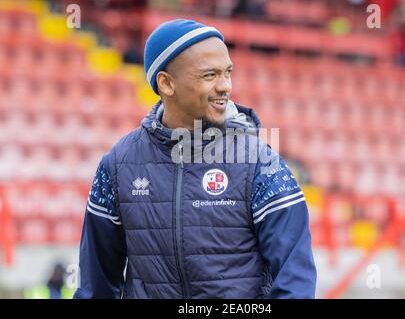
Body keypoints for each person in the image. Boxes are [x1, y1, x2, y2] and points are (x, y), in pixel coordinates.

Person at [74, 19, 316, 299]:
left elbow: (295, 282)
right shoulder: (118, 164)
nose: (225, 86)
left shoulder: (261, 164)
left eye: (227, 73)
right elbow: (96, 284)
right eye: (210, 75)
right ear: (166, 83)